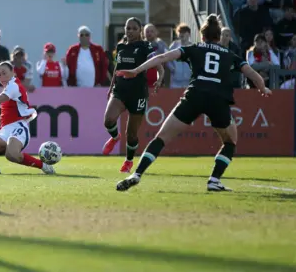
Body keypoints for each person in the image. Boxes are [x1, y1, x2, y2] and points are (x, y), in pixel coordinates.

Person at [115, 15, 271, 192]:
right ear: (219, 37)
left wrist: (136, 70)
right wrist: (263, 88)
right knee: (230, 141)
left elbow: (162, 58)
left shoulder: (194, 48)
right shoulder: (230, 54)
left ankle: (137, 174)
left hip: (195, 95)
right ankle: (214, 180)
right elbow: (251, 72)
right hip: (218, 99)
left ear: (202, 36)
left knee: (161, 137)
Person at [102, 18, 164, 173]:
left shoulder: (145, 46)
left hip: (138, 94)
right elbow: (118, 66)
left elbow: (157, 62)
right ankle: (115, 138)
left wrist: (160, 76)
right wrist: (111, 87)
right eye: (127, 28)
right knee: (108, 120)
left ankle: (129, 161)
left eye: (133, 28)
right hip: (120, 90)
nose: (129, 31)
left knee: (131, 135)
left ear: (139, 31)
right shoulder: (121, 46)